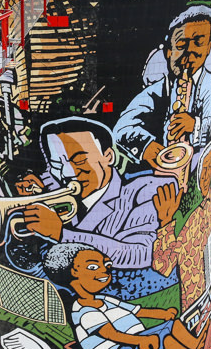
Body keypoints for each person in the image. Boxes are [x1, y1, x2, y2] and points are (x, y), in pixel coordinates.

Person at [16, 118, 178, 295]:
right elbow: (50, 176)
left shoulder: (146, 189)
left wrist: (60, 233)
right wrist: (38, 187)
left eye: (79, 161)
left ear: (108, 156)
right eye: (57, 164)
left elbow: (143, 253)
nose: (68, 174)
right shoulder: (62, 191)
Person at [44, 243, 207, 349]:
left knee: (173, 325)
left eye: (106, 265)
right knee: (166, 340)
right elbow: (111, 334)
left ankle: (195, 345)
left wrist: (163, 314)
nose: (105, 271)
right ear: (72, 273)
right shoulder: (84, 311)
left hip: (135, 340)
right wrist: (140, 340)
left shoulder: (104, 299)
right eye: (93, 267)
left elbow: (137, 310)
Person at [114, 6, 211, 168]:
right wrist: (147, 147)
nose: (189, 51)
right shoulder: (159, 89)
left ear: (209, 46)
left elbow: (210, 124)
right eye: (182, 44)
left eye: (199, 42)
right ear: (169, 51)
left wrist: (193, 125)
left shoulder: (209, 82)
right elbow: (122, 126)